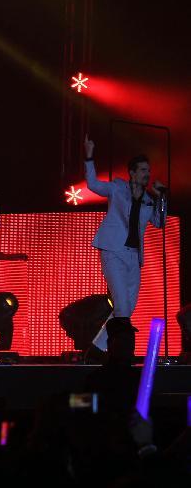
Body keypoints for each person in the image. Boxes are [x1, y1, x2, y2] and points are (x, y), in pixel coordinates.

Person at [84, 135, 166, 355]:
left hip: (133, 255)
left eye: (148, 171)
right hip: (113, 250)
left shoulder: (149, 200)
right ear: (132, 173)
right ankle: (110, 351)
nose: (147, 174)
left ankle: (96, 348)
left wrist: (161, 198)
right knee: (120, 301)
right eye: (142, 170)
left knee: (128, 306)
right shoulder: (118, 189)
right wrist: (89, 156)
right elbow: (93, 184)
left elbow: (159, 222)